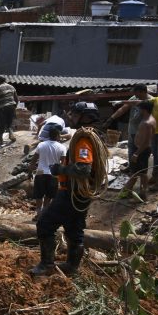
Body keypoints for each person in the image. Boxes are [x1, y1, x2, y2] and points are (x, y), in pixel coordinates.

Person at [31, 102, 106, 276]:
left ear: (85, 117)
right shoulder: (95, 137)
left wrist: (60, 169)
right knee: (74, 229)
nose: (70, 117)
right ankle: (72, 267)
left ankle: (46, 264)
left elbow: (83, 169)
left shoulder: (84, 140)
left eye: (74, 114)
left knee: (45, 223)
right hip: (81, 195)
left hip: (71, 192)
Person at [103, 84, 152, 161]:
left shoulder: (151, 100)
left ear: (142, 92)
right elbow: (123, 108)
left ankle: (140, 170)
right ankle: (131, 167)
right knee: (131, 150)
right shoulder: (134, 98)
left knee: (142, 152)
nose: (135, 95)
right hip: (132, 130)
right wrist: (111, 118)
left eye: (136, 92)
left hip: (143, 131)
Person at [119, 101, 155, 201]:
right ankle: (143, 192)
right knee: (142, 172)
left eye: (139, 109)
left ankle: (127, 191)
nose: (137, 111)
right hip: (142, 149)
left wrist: (136, 153)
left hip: (141, 150)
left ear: (144, 110)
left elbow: (147, 142)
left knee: (135, 173)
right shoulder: (149, 119)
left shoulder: (147, 123)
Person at [29, 125, 66, 222]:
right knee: (49, 195)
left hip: (40, 173)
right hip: (53, 175)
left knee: (39, 195)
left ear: (49, 135)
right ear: (58, 135)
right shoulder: (62, 147)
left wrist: (30, 171)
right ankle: (44, 213)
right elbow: (63, 163)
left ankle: (39, 214)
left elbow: (33, 161)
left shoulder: (41, 145)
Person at [0, 76, 18, 146]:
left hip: (3, 107)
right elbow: (16, 99)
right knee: (9, 123)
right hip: (11, 106)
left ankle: (0, 140)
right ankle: (11, 135)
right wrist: (14, 107)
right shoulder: (11, 87)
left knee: (1, 123)